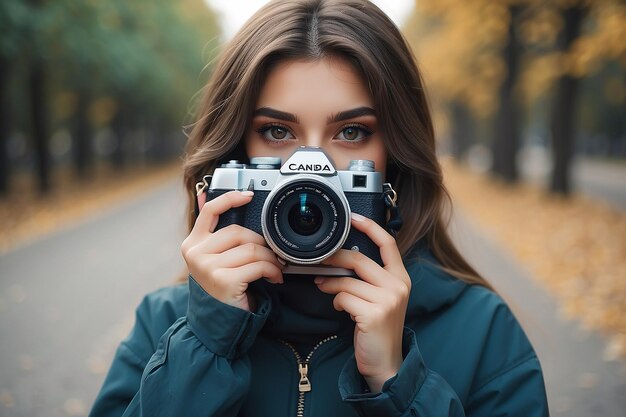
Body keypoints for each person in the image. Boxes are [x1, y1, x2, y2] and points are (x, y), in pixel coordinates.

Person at [89, 0, 549, 416]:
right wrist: (205, 345)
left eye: (351, 132)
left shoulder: (483, 332)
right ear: (232, 163)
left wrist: (397, 384)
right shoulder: (166, 327)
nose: (310, 172)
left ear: (393, 163)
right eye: (275, 131)